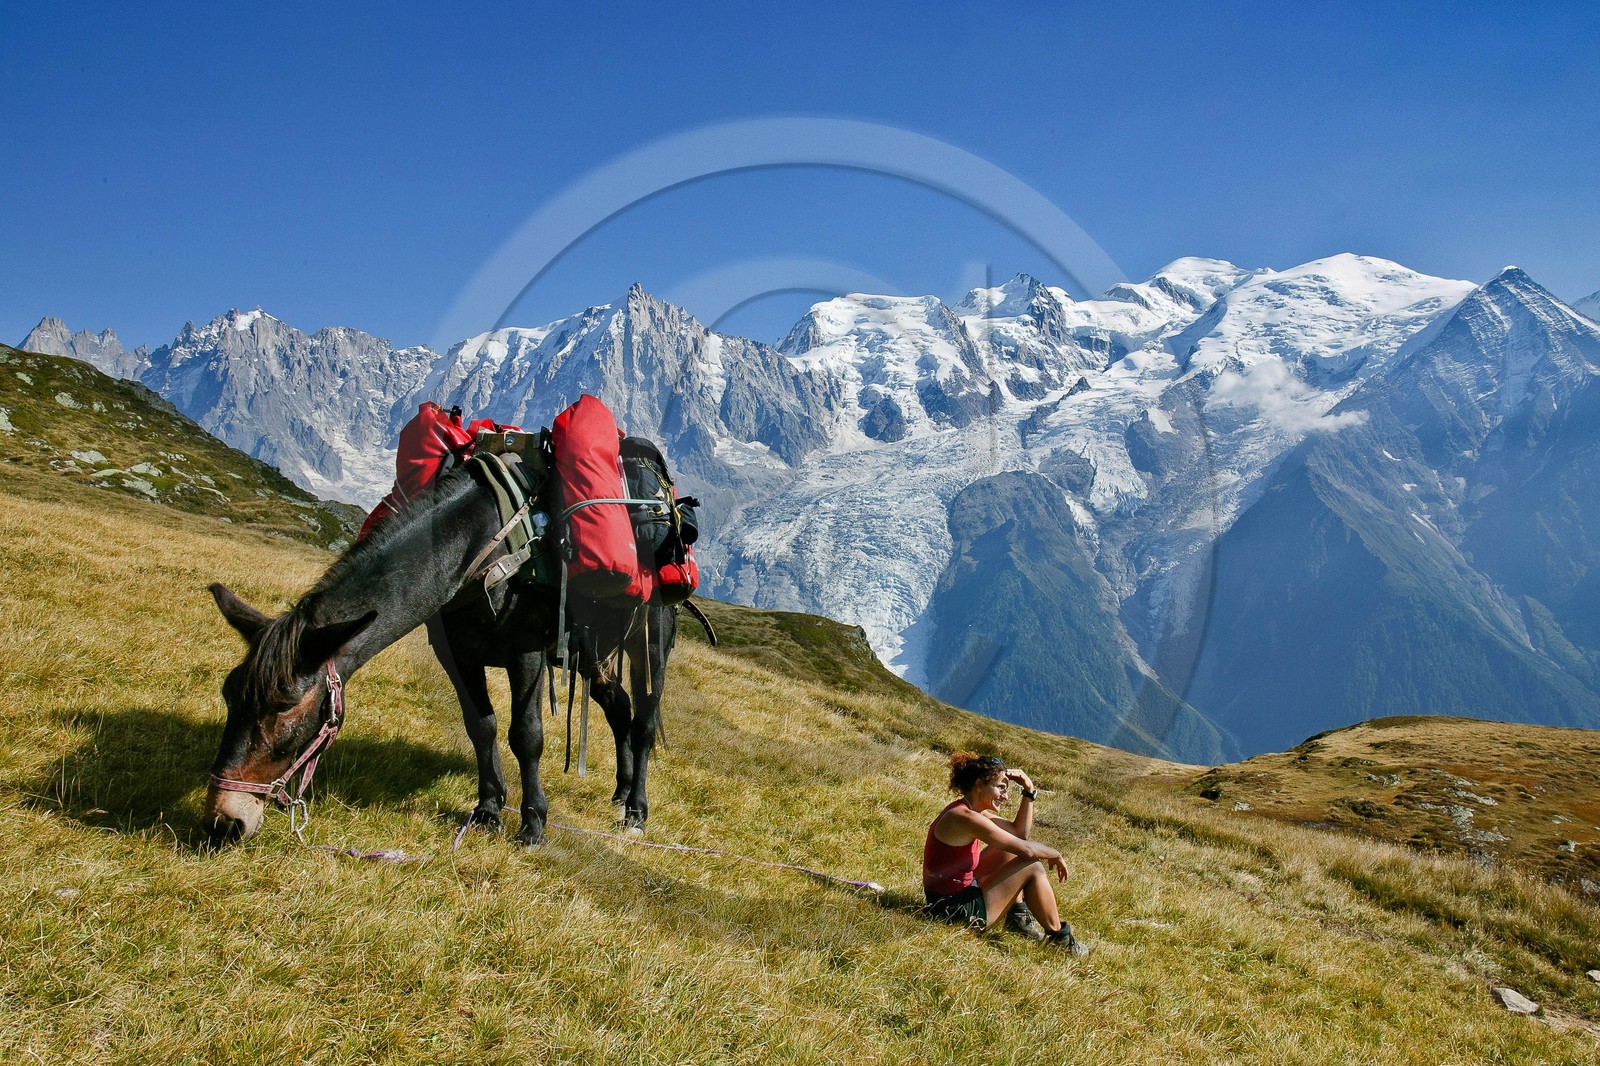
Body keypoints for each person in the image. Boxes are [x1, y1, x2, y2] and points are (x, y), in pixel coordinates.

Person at [922, 752, 1089, 954]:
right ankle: (1061, 940)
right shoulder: (965, 817)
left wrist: (1029, 791)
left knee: (1006, 852)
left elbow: (1019, 834)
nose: (1005, 795)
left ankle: (1017, 918)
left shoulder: (967, 810)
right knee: (1033, 866)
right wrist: (1055, 853)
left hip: (945, 901)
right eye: (1001, 787)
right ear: (979, 784)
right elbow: (1026, 849)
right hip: (954, 912)